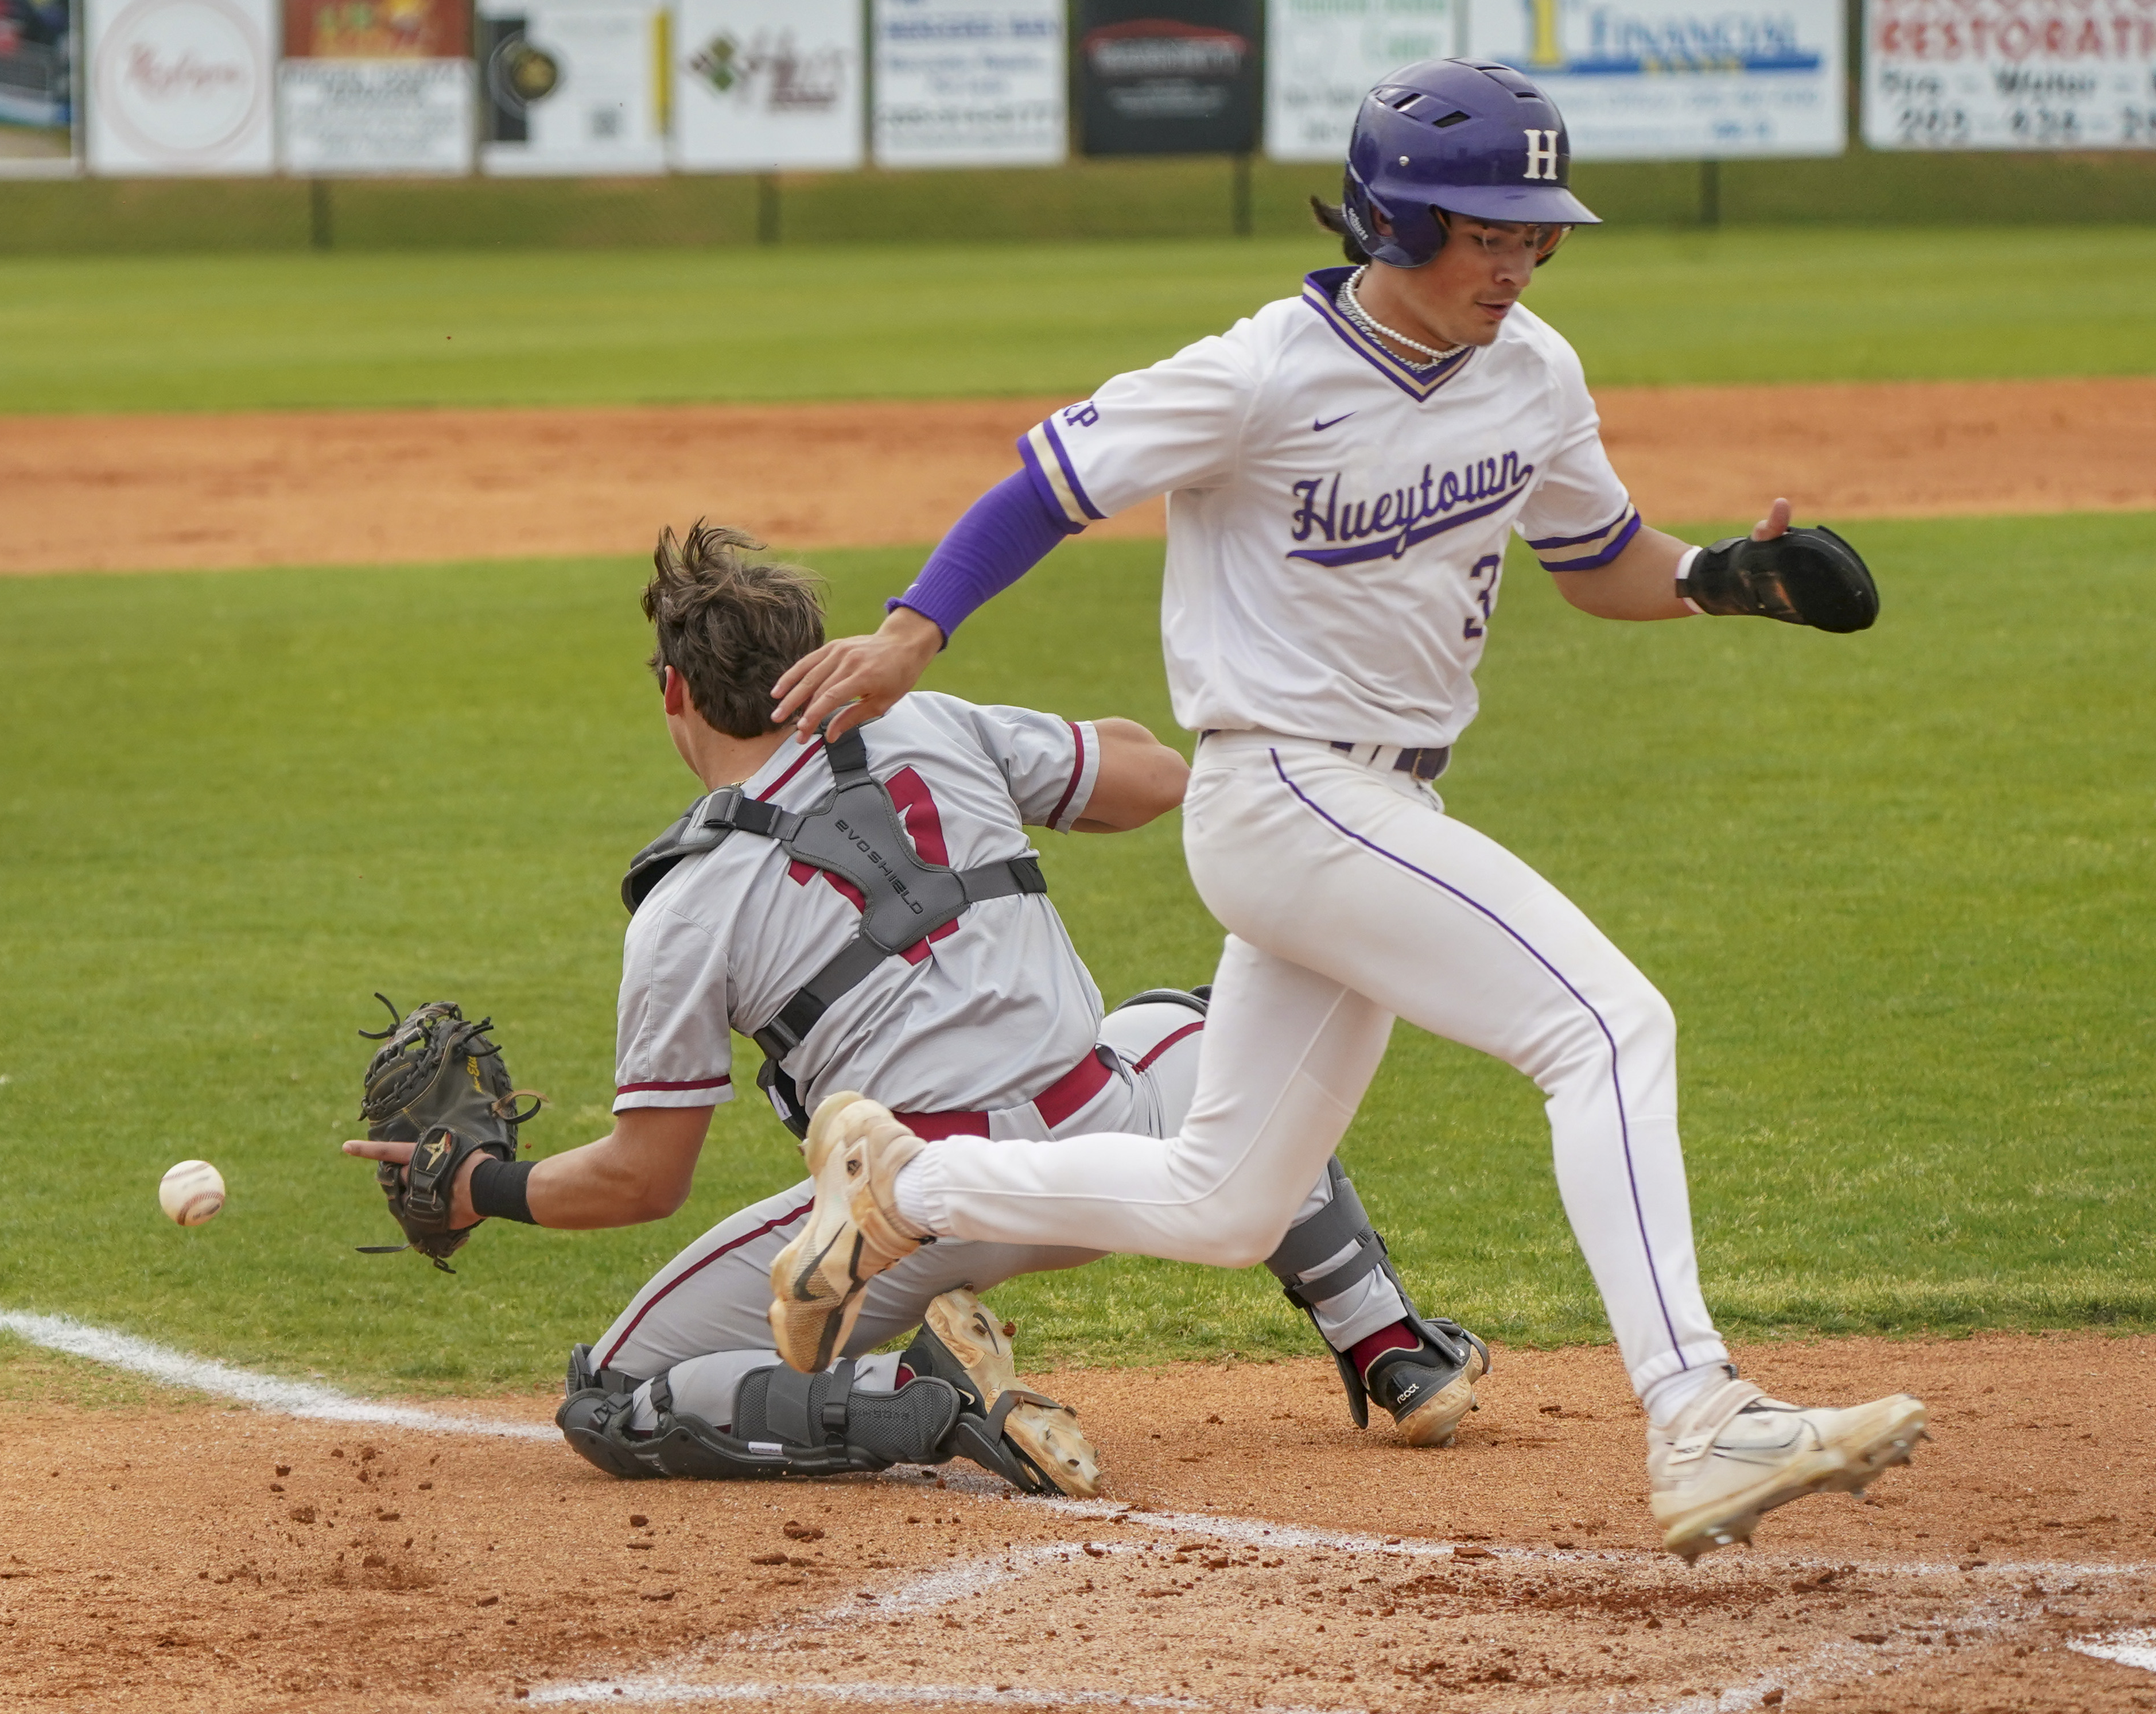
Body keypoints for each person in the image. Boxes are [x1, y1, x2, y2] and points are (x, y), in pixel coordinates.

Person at [759, 60, 1924, 1562]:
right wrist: (914, 632)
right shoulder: (1260, 372)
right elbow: (1048, 484)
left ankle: (903, 1182)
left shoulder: (1536, 373)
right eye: (1487, 232)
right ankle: (1698, 1414)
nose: (1518, 262)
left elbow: (1602, 555)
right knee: (1607, 1025)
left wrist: (1726, 582)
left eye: (1537, 236)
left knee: (1229, 1196)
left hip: (1375, 805)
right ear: (1395, 217)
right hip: (1287, 789)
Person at [343, 521, 1491, 1496]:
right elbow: (1154, 775)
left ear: (674, 690)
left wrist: (477, 1185)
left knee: (609, 1398)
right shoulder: (930, 725)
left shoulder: (683, 907)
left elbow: (645, 1177)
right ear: (822, 659)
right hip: (1116, 1150)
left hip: (908, 1214)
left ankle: (922, 1401)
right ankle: (1392, 1344)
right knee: (1194, 1028)